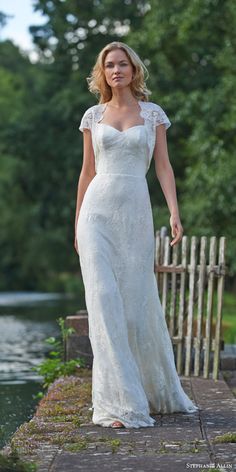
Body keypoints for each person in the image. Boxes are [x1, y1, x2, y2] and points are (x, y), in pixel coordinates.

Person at [74, 41, 198, 429]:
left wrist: (175, 211)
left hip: (135, 213)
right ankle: (118, 403)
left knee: (135, 302)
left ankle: (150, 388)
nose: (116, 71)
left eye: (122, 64)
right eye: (109, 65)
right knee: (105, 300)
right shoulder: (93, 116)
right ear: (103, 72)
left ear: (133, 69)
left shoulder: (153, 114)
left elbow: (163, 167)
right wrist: (76, 220)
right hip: (96, 213)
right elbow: (87, 172)